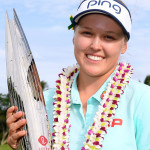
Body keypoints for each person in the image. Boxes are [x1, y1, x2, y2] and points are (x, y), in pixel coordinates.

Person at [6, 0, 150, 149]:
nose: (95, 46)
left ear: (124, 46)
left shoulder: (143, 100)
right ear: (75, 37)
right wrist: (21, 145)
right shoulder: (43, 102)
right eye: (87, 33)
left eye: (109, 37)